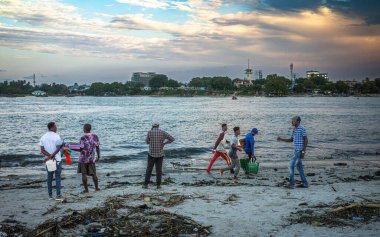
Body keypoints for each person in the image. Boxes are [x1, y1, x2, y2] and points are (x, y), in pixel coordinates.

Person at [277, 116, 309, 189]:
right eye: (292, 120)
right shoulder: (294, 129)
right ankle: (305, 183)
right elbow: (291, 140)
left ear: (298, 121)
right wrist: (281, 139)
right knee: (299, 167)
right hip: (296, 150)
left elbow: (306, 140)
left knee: (291, 165)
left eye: (293, 120)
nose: (292, 122)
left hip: (299, 150)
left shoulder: (302, 129)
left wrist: (303, 152)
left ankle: (292, 184)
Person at [144, 122, 175, 189]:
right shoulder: (162, 132)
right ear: (158, 126)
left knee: (149, 169)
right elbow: (172, 139)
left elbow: (146, 142)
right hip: (160, 154)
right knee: (159, 170)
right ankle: (158, 185)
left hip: (151, 154)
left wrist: (151, 140)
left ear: (152, 126)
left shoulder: (150, 132)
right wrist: (164, 143)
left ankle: (146, 184)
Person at [39, 122, 63, 200]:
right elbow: (58, 148)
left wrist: (49, 156)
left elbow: (42, 150)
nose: (56, 128)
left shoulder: (43, 137)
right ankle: (58, 195)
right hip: (57, 160)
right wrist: (52, 156)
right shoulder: (56, 136)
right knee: (57, 177)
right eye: (55, 126)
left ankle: (50, 196)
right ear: (52, 127)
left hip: (48, 161)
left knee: (49, 178)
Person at [78, 124, 100, 193]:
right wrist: (98, 156)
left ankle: (86, 190)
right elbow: (97, 147)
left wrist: (72, 147)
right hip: (91, 158)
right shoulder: (95, 136)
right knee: (94, 174)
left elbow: (81, 148)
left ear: (84, 129)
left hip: (83, 158)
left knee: (84, 174)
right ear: (90, 129)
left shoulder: (83, 138)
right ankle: (96, 188)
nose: (83, 129)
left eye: (83, 128)